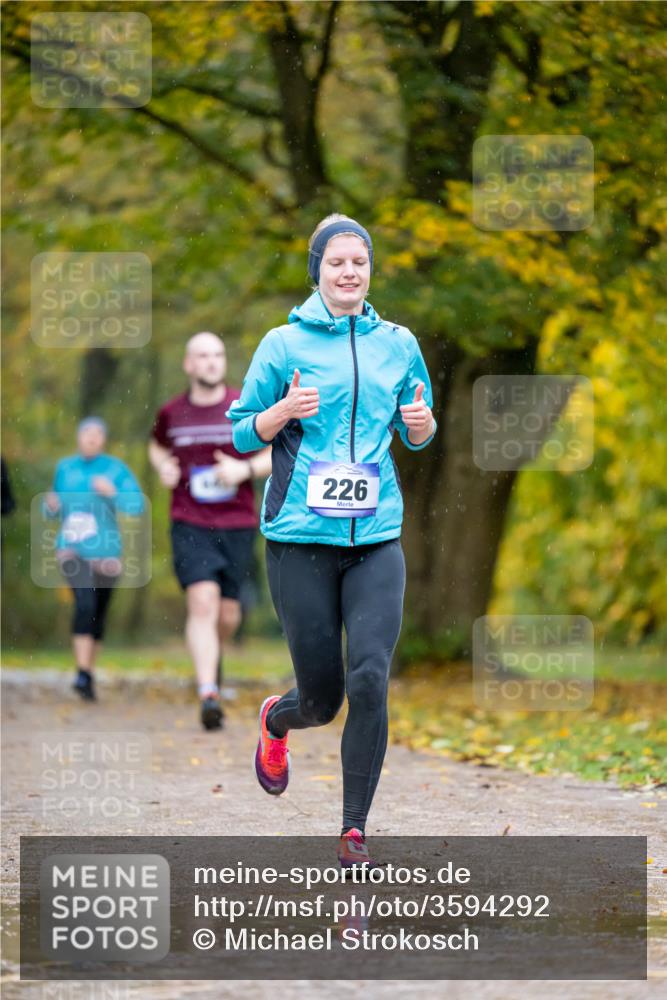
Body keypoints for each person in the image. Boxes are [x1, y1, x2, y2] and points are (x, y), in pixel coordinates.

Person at [228, 214, 436, 867]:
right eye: (337, 262)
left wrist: (423, 424)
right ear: (317, 269)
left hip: (375, 538)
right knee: (321, 700)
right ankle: (277, 720)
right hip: (298, 541)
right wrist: (281, 413)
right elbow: (240, 434)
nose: (349, 272)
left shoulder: (398, 343)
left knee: (370, 676)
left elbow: (417, 429)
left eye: (359, 263)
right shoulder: (282, 344)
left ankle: (353, 830)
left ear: (370, 271)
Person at [149, 332, 271, 731]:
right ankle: (208, 694)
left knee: (227, 613)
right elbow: (156, 445)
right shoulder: (171, 413)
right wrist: (163, 466)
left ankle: (211, 661)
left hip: (238, 524)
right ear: (189, 364)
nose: (212, 362)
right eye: (202, 355)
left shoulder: (244, 407)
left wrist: (244, 470)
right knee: (202, 601)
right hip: (189, 521)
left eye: (218, 354)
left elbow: (276, 450)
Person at [45, 417, 144, 702]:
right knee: (84, 602)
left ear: (103, 440)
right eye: (86, 433)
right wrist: (50, 505)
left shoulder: (115, 469)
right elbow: (52, 506)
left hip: (106, 553)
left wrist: (112, 492)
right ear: (79, 438)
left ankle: (87, 673)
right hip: (72, 549)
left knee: (98, 611)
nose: (90, 439)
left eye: (96, 434)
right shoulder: (65, 468)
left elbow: (135, 505)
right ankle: (82, 673)